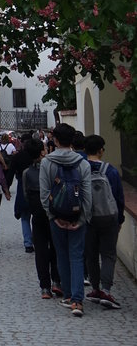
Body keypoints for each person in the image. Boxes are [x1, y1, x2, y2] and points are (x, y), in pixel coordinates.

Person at [39, 122, 92, 317]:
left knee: (61, 255)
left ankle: (68, 295)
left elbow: (44, 194)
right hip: (78, 216)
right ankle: (78, 300)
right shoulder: (82, 163)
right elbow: (87, 196)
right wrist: (83, 218)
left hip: (57, 217)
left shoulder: (47, 162)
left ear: (55, 139)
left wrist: (53, 216)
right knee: (77, 255)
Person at [83, 133, 125, 310]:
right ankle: (106, 290)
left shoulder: (81, 169)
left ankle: (94, 288)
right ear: (101, 150)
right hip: (108, 218)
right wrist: (120, 218)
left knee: (91, 254)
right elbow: (118, 198)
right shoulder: (111, 171)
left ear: (85, 150)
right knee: (108, 254)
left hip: (88, 218)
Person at [20, 138, 62, 299]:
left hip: (37, 215)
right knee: (56, 248)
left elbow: (25, 194)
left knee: (41, 252)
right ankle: (57, 281)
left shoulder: (26, 173)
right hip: (53, 214)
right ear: (42, 152)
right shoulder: (52, 169)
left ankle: (44, 287)